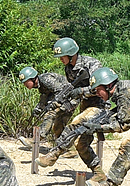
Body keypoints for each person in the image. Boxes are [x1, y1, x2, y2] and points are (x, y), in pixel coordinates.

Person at [37, 37, 108, 174]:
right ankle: (99, 174)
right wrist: (62, 101)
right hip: (85, 106)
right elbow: (73, 90)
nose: (60, 59)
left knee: (75, 124)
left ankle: (54, 154)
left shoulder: (91, 64)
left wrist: (81, 91)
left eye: (62, 56)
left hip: (100, 105)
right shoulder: (68, 68)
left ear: (71, 54)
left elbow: (101, 87)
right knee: (81, 144)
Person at [17, 66, 77, 157]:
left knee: (50, 114)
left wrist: (54, 103)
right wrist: (38, 109)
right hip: (67, 99)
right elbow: (44, 98)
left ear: (33, 79)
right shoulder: (41, 86)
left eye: (26, 82)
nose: (25, 85)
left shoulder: (45, 79)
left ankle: (36, 139)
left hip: (71, 98)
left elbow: (62, 90)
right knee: (58, 126)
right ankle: (70, 150)